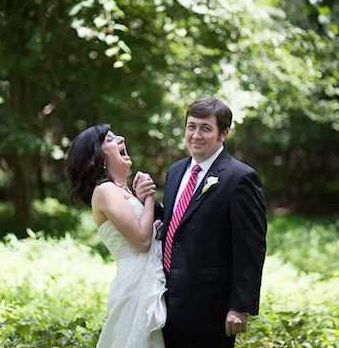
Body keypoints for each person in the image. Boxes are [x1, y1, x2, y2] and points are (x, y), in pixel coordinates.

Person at [134, 97, 267, 348]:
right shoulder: (175, 172)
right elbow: (177, 222)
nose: (196, 135)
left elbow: (251, 247)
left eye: (206, 128)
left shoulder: (240, 178)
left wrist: (240, 307)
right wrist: (146, 201)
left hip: (210, 305)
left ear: (223, 134)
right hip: (167, 299)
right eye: (191, 126)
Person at [65, 124, 166, 348]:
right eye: (110, 139)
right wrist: (149, 197)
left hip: (149, 275)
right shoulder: (105, 191)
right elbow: (141, 241)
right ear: (98, 157)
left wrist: (142, 200)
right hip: (135, 284)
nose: (121, 138)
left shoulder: (122, 191)